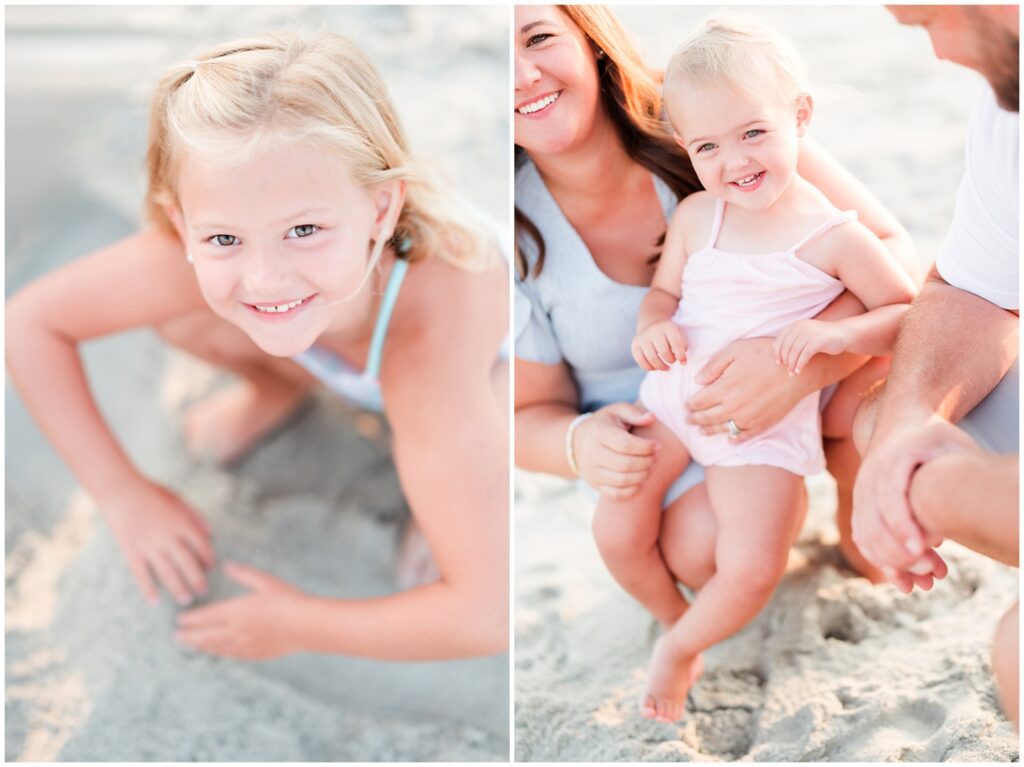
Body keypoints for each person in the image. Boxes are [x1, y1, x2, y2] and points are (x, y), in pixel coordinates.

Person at [6, 31, 508, 661]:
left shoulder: (431, 338)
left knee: (456, 461)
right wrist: (121, 492)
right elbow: (30, 324)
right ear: (185, 222)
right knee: (186, 313)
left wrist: (296, 624)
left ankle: (434, 491)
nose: (264, 276)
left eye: (304, 229)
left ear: (381, 209)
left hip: (484, 373)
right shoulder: (209, 240)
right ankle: (275, 388)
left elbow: (486, 616)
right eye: (222, 239)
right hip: (334, 335)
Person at [515, 2, 926, 702]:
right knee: (646, 537)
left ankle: (865, 508)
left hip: (786, 392)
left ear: (588, 35)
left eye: (539, 37)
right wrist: (584, 441)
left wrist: (810, 361)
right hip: (668, 398)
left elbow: (898, 281)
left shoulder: (719, 101)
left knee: (759, 539)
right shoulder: (690, 193)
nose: (522, 74)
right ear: (692, 142)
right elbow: (526, 411)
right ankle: (677, 626)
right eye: (708, 148)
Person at [852, 5, 1019, 728]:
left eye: (930, 17)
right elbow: (973, 290)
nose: (942, 55)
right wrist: (902, 435)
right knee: (881, 417)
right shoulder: (1009, 111)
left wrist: (937, 492)